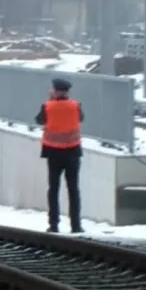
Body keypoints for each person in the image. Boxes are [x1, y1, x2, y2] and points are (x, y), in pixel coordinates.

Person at [35, 78, 84, 233]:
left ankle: (54, 224)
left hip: (53, 153)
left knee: (54, 189)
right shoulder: (76, 106)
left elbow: (39, 120)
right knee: (73, 189)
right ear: (68, 92)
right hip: (73, 153)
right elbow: (81, 118)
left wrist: (51, 101)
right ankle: (76, 226)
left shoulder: (48, 107)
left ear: (55, 91)